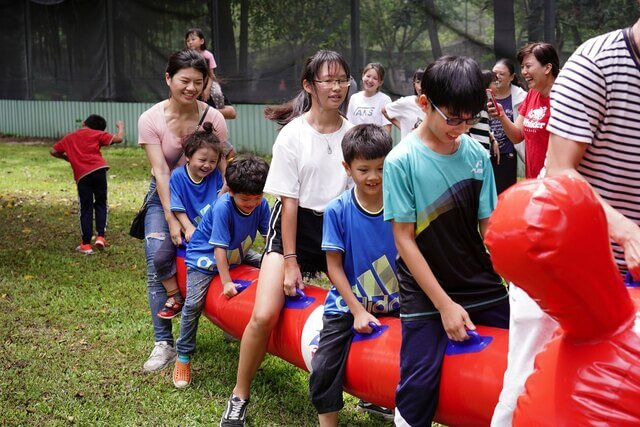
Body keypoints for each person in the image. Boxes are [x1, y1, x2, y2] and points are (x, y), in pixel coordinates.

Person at [491, 13, 640, 427]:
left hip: (633, 277)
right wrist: (626, 231)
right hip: (569, 265)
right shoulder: (596, 65)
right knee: (527, 386)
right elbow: (560, 170)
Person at [219, 49, 354, 427]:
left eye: (342, 79)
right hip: (293, 228)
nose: (336, 87)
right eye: (327, 80)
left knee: (370, 306)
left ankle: (374, 392)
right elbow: (288, 204)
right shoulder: (293, 135)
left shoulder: (351, 133)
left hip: (336, 226)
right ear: (309, 86)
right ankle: (239, 396)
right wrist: (291, 262)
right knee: (263, 315)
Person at [383, 55, 509, 427]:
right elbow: (405, 241)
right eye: (453, 118)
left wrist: (519, 277)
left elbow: (490, 228)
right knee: (419, 384)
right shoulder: (400, 161)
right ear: (424, 104)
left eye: (470, 118)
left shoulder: (476, 154)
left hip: (478, 279)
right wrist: (445, 306)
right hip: (424, 287)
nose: (462, 127)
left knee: (524, 355)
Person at [138, 49, 229, 373]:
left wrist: (222, 206)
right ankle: (163, 342)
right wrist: (173, 218)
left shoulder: (213, 118)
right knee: (158, 257)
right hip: (164, 196)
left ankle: (231, 319)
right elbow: (161, 172)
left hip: (206, 195)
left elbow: (221, 163)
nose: (191, 88)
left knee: (227, 253)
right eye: (184, 81)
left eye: (198, 82)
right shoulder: (150, 119)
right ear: (168, 78)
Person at [308, 124, 399, 426]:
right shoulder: (338, 209)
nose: (373, 177)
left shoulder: (402, 204)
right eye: (364, 169)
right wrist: (358, 311)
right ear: (347, 168)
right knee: (324, 364)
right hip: (349, 303)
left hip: (399, 303)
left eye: (381, 168)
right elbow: (333, 267)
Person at [173, 154, 270, 389]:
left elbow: (270, 239)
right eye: (246, 198)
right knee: (194, 303)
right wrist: (226, 282)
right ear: (231, 191)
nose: (252, 203)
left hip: (237, 252)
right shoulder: (222, 207)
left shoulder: (262, 205)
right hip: (205, 257)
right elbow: (218, 249)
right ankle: (183, 356)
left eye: (257, 197)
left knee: (265, 263)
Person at [153, 122, 225, 320]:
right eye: (202, 159)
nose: (207, 165)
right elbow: (177, 207)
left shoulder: (216, 176)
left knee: (238, 257)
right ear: (188, 156)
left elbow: (221, 202)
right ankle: (174, 296)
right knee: (160, 259)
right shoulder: (177, 177)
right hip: (189, 228)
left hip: (212, 231)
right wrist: (188, 227)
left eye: (213, 161)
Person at [50, 115, 125, 254]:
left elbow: (53, 151)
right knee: (101, 203)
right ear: (100, 129)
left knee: (86, 207)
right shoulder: (98, 134)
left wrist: (68, 158)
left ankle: (86, 245)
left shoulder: (69, 137)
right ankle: (100, 237)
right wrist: (120, 127)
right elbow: (119, 139)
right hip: (99, 171)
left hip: (82, 175)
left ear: (84, 123)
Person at [488, 43, 559, 179]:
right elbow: (517, 136)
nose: (524, 72)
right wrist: (501, 116)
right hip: (533, 180)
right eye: (522, 67)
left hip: (555, 183)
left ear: (547, 68)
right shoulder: (532, 93)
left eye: (528, 66)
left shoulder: (564, 97)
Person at [489, 58, 527, 191]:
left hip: (509, 156)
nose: (497, 77)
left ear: (511, 77)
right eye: (494, 73)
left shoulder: (522, 98)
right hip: (486, 155)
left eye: (502, 74)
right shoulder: (484, 95)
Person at [347, 63, 392, 133]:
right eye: (368, 76)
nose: (370, 80)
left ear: (380, 82)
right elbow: (349, 125)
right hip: (354, 142)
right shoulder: (354, 98)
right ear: (363, 76)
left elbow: (386, 129)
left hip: (375, 142)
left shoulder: (385, 100)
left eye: (375, 78)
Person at [381, 68, 425, 139]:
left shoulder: (435, 106)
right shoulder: (406, 102)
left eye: (424, 82)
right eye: (417, 82)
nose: (420, 87)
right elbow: (384, 110)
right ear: (414, 84)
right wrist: (403, 129)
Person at [468, 69, 500, 162]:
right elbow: (465, 130)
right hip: (474, 157)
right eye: (495, 82)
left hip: (484, 156)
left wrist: (492, 139)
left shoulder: (484, 107)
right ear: (485, 85)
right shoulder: (475, 107)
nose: (497, 85)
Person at [185, 28, 217, 105]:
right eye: (188, 41)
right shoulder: (186, 55)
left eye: (193, 39)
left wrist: (207, 89)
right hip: (192, 82)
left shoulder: (208, 56)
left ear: (202, 41)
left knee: (218, 94)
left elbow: (211, 75)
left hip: (208, 83)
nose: (190, 42)